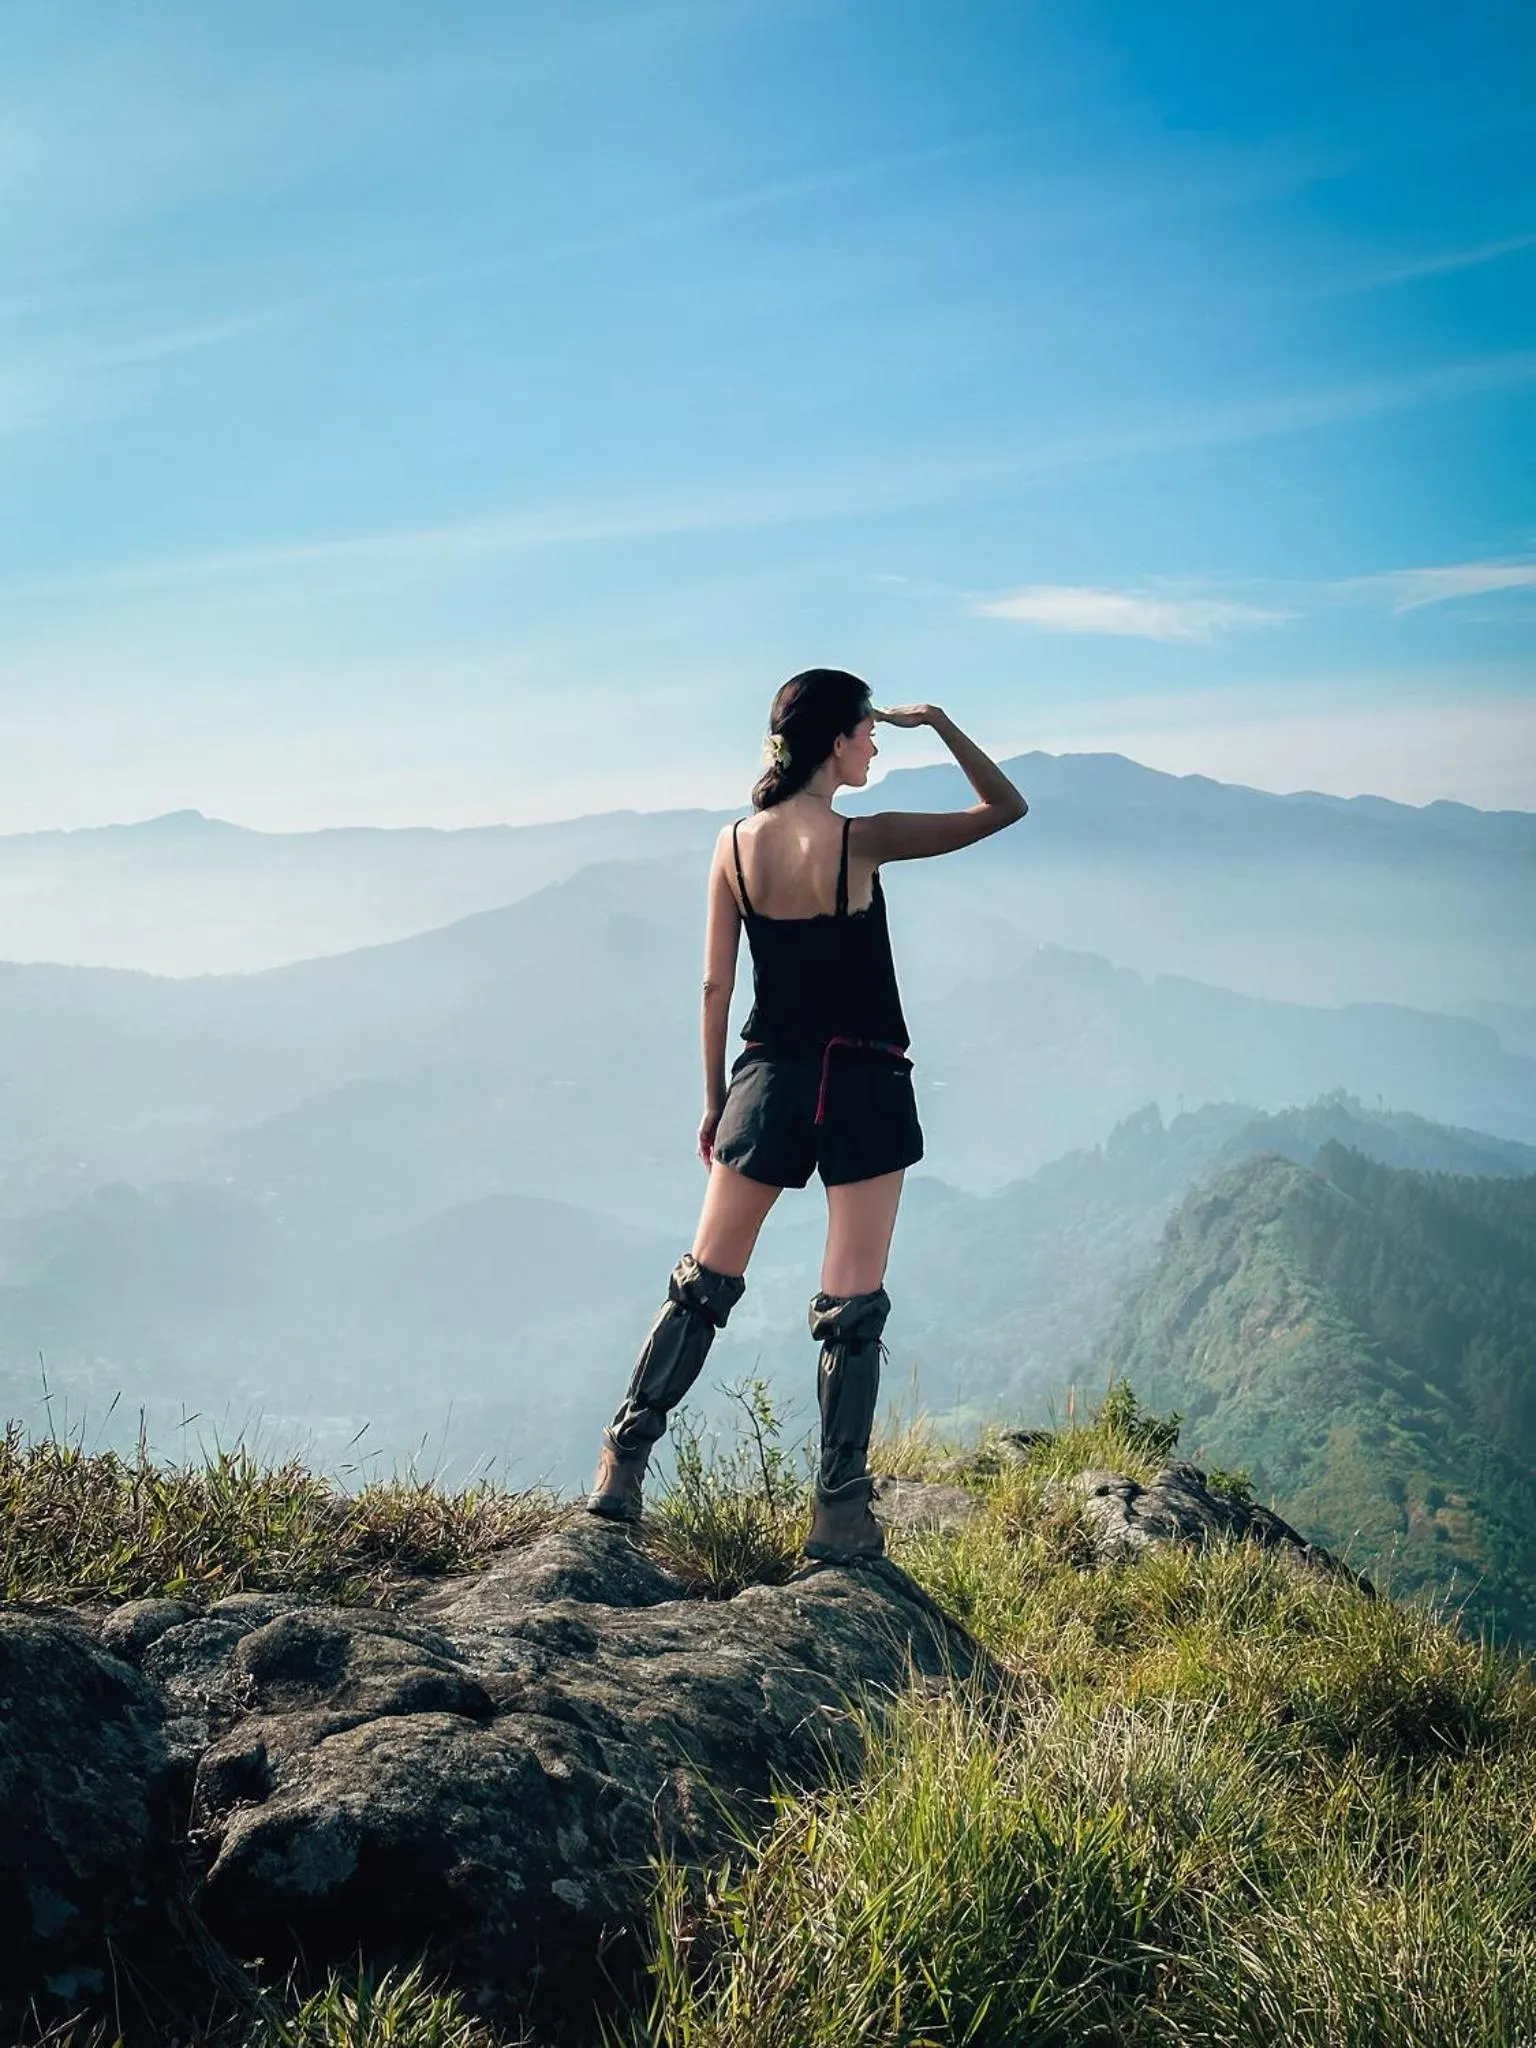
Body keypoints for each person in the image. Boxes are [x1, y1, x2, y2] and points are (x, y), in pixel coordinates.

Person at [585, 668, 1028, 1561]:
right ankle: (837, 1512)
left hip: (769, 1081)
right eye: (870, 731)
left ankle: (621, 1466)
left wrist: (716, 1100)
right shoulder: (861, 842)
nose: (876, 745)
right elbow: (1003, 807)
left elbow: (716, 984)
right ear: (836, 739)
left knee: (702, 1285)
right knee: (851, 1303)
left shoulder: (733, 847)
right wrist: (939, 721)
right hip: (860, 1084)